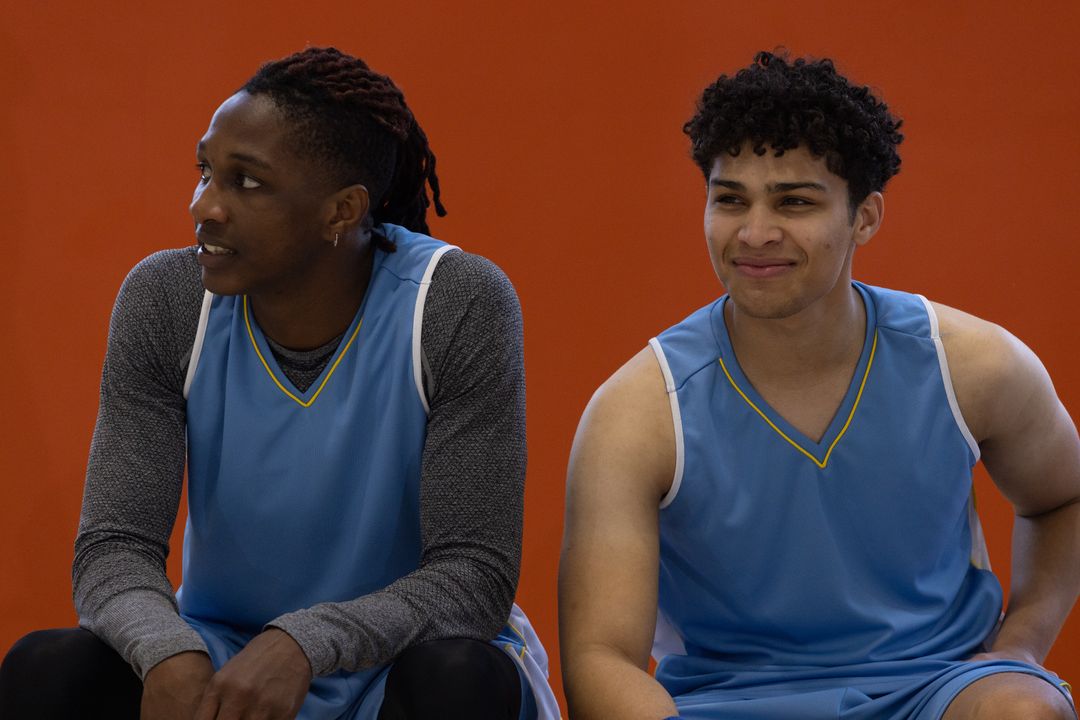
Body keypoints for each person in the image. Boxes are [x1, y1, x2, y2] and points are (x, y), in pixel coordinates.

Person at [0, 47, 559, 720]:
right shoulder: (168, 299)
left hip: (397, 661)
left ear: (340, 211)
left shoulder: (455, 303)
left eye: (247, 183)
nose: (204, 206)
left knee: (459, 678)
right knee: (47, 669)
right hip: (221, 654)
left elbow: (473, 576)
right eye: (206, 171)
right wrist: (167, 651)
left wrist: (305, 642)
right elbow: (113, 547)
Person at [559, 51, 1079, 720]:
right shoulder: (637, 412)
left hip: (936, 690)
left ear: (864, 217)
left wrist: (1022, 646)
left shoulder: (973, 364)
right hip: (727, 703)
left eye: (794, 202)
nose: (755, 233)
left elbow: (1062, 498)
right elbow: (600, 657)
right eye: (730, 200)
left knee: (1022, 710)